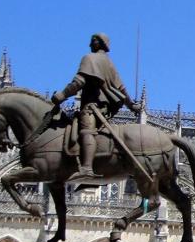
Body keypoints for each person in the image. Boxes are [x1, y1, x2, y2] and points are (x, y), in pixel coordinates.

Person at [51, 33, 141, 178]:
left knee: (87, 131)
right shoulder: (109, 63)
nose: (90, 44)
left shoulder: (90, 58)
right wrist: (131, 105)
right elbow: (121, 88)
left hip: (92, 107)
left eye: (93, 41)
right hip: (105, 109)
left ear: (101, 43)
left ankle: (87, 168)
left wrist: (62, 95)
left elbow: (79, 82)